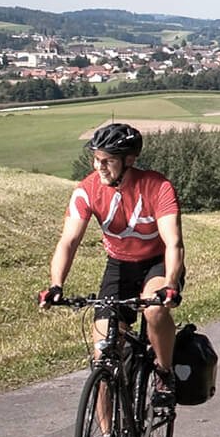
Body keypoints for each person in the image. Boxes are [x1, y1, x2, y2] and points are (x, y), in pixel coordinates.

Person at [38, 122, 185, 402]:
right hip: (119, 265)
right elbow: (68, 241)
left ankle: (164, 372)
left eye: (108, 161)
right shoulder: (87, 190)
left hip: (157, 262)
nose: (99, 167)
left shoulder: (157, 187)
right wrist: (56, 285)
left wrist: (170, 285)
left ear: (129, 161)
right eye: (96, 159)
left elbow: (173, 243)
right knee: (104, 355)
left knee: (154, 311)